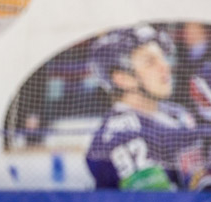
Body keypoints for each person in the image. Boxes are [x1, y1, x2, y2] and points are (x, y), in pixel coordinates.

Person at [86, 24, 211, 191]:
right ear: (123, 78)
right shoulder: (121, 136)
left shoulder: (177, 113)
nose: (165, 66)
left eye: (162, 57)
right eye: (150, 62)